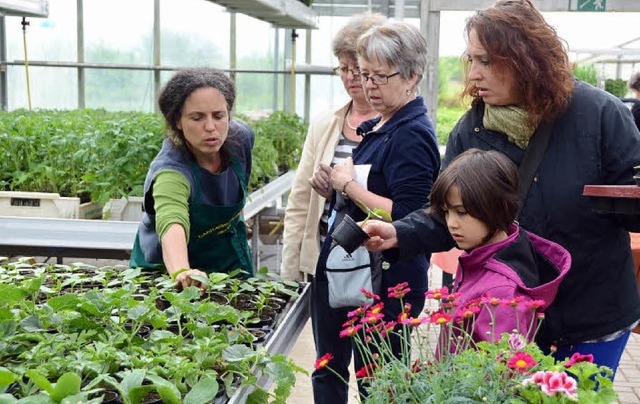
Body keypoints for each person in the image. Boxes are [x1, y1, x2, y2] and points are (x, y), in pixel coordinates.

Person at [362, 0, 640, 379]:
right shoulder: (471, 131)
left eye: (486, 61)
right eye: (470, 60)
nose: (473, 74)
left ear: (527, 59)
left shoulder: (599, 114)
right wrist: (399, 231)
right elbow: (450, 215)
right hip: (510, 318)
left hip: (591, 314)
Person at [311, 21, 441, 403]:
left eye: (380, 77)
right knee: (329, 369)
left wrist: (348, 186)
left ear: (412, 77)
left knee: (379, 382)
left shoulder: (412, 134)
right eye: (364, 74)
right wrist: (333, 188)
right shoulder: (381, 125)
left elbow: (409, 215)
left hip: (388, 281)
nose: (368, 85)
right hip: (355, 272)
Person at [429, 149, 571, 352]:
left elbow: (499, 372)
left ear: (500, 207)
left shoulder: (502, 292)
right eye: (446, 212)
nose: (451, 223)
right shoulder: (481, 255)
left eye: (461, 212)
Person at [281, 12, 387, 283]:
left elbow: (407, 204)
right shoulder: (325, 124)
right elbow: (300, 202)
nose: (351, 77)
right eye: (343, 68)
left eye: (359, 69)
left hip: (379, 264)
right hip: (327, 262)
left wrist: (343, 189)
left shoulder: (399, 129)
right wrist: (290, 273)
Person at [130, 68, 254, 291]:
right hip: (164, 273)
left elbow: (236, 186)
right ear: (177, 121)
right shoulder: (171, 172)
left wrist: (239, 218)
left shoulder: (240, 139)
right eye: (197, 118)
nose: (210, 127)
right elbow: (171, 221)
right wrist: (181, 271)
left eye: (219, 115)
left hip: (226, 262)